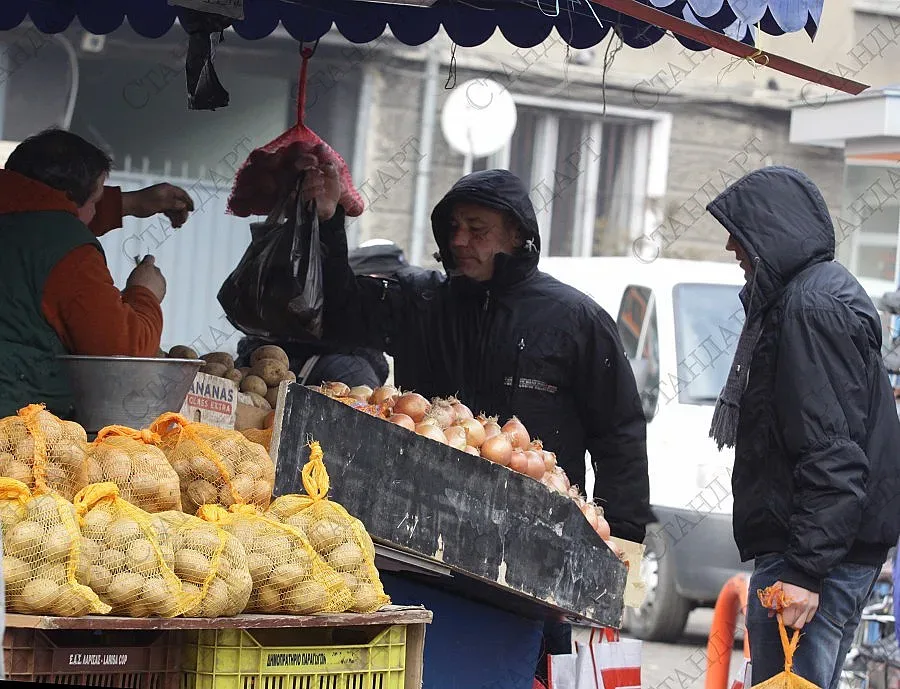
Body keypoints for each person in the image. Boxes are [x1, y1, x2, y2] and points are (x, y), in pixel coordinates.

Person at [297, 154, 654, 678]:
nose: (461, 240)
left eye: (478, 229)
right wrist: (329, 222)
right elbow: (338, 309)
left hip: (534, 559)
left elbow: (619, 431)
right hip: (428, 546)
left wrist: (622, 550)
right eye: (454, 228)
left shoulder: (574, 319)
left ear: (516, 235)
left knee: (517, 671)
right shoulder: (423, 301)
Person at [707, 165, 900, 689]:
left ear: (771, 234)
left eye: (739, 233)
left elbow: (832, 453)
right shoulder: (806, 298)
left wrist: (804, 572)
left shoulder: (809, 307)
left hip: (817, 560)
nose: (732, 247)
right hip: (817, 552)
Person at [0, 127, 195, 418]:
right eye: (95, 201)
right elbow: (123, 355)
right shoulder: (68, 252)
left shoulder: (19, 222)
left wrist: (132, 203)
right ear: (71, 199)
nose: (94, 214)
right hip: (16, 430)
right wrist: (145, 294)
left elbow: (35, 217)